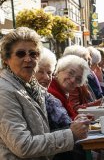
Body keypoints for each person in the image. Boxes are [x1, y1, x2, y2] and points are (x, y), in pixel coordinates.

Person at [0, 27, 90, 160]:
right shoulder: (5, 91)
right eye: (20, 54)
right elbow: (23, 146)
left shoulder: (32, 86)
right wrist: (70, 134)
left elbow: (41, 133)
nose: (28, 59)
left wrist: (72, 126)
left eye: (33, 54)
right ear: (6, 59)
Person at [48, 55, 90, 120]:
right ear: (59, 70)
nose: (73, 80)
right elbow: (64, 123)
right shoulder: (52, 93)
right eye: (70, 73)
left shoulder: (63, 93)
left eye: (78, 79)